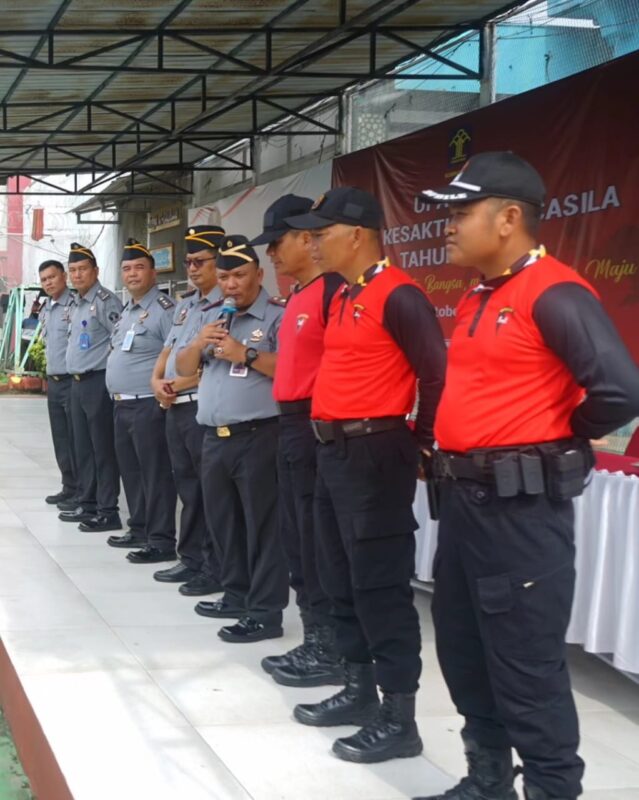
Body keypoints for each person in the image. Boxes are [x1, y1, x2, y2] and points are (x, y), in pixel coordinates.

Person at [417, 151, 639, 800]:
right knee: (464, 653)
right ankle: (487, 781)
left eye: (461, 212)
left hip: (519, 515)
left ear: (508, 218)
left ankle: (551, 788)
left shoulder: (554, 292)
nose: (448, 227)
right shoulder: (481, 294)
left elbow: (620, 389)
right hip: (465, 505)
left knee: (525, 669)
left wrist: (561, 432)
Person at [285, 187, 447, 763]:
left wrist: (423, 442)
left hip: (376, 451)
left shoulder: (399, 295)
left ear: (357, 235)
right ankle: (358, 689)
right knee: (337, 576)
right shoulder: (345, 294)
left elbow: (436, 372)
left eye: (321, 233)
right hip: (332, 451)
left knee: (379, 584)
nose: (313, 243)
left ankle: (399, 716)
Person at [248, 196, 344, 687]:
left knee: (316, 537)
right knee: (296, 536)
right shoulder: (300, 296)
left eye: (278, 242)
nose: (272, 254)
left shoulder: (334, 292)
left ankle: (331, 648)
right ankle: (314, 638)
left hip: (314, 424)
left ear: (308, 237)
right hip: (288, 425)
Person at [176, 234, 288, 642]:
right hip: (214, 437)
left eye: (239, 275)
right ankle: (236, 594)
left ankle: (265, 612)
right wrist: (198, 342)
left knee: (262, 527)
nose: (231, 284)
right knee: (224, 523)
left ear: (258, 274)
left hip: (258, 436)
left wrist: (245, 354)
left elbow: (291, 370)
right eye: (224, 277)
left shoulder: (276, 316)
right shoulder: (213, 317)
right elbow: (182, 366)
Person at [149, 225, 226, 594]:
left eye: (200, 261)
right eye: (189, 262)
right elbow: (167, 351)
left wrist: (176, 384)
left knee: (210, 493)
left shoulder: (227, 304)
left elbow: (217, 365)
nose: (192, 268)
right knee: (188, 488)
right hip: (175, 407)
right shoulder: (185, 304)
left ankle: (214, 566)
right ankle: (191, 557)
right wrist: (156, 381)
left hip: (200, 406)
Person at [104, 239, 178, 563]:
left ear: (153, 272)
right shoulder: (127, 311)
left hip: (149, 404)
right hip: (122, 405)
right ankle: (139, 527)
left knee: (155, 474)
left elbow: (174, 356)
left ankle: (161, 540)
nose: (132, 274)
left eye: (139, 267)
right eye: (126, 269)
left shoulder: (165, 310)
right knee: (131, 472)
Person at [60, 243, 123, 532]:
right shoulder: (76, 303)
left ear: (95, 271)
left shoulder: (105, 301)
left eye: (82, 269)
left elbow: (119, 339)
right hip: (76, 383)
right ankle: (87, 503)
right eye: (72, 270)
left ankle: (107, 510)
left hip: (98, 381)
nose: (77, 275)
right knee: (82, 448)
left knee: (102, 449)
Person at [38, 260, 78, 509]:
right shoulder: (47, 308)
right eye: (44, 279)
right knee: (61, 438)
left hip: (72, 381)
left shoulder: (75, 304)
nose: (48, 282)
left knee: (77, 439)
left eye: (52, 277)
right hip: (53, 382)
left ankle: (82, 491)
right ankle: (69, 486)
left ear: (64, 276)